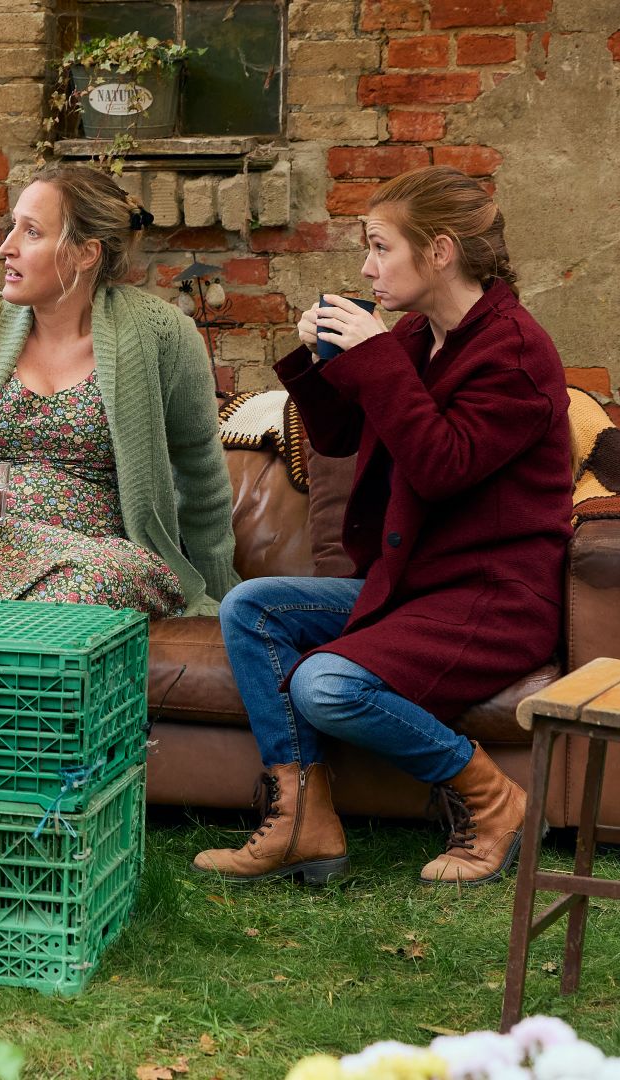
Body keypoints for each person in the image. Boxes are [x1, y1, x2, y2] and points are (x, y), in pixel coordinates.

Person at [194, 165, 571, 887]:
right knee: (253, 607)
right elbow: (339, 437)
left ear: (440, 252)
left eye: (379, 247)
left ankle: (493, 800)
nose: (366, 267)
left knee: (326, 686)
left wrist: (373, 356)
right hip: (412, 586)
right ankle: (302, 819)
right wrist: (318, 360)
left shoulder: (516, 353)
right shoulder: (418, 337)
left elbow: (441, 464)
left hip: (492, 600)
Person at [0, 165, 238, 619]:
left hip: (92, 557)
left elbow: (200, 475)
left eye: (32, 232)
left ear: (85, 253)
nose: (7, 246)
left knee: (89, 586)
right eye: (12, 226)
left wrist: (220, 598)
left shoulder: (165, 335)